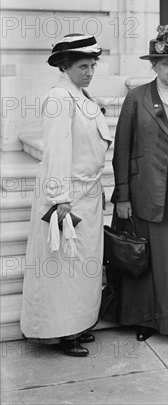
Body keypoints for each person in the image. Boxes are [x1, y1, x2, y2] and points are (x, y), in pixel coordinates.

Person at [101, 20, 168, 341]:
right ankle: (144, 320)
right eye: (167, 63)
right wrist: (123, 197)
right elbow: (122, 149)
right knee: (145, 262)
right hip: (145, 194)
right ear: (155, 66)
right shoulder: (136, 99)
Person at [20, 34, 112, 357]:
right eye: (82, 66)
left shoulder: (81, 95)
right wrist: (60, 200)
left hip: (88, 193)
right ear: (65, 66)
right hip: (67, 196)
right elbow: (57, 149)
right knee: (64, 270)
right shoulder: (60, 98)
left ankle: (79, 324)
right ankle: (61, 332)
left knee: (84, 267)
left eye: (92, 65)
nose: (89, 72)